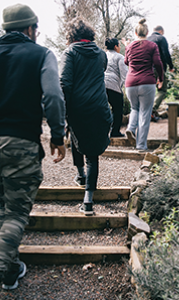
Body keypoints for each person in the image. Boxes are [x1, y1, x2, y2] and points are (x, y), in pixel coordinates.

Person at [0, 4, 66, 300]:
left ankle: (11, 270)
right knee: (16, 215)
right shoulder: (42, 55)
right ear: (30, 29)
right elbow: (52, 95)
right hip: (20, 142)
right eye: (36, 29)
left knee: (5, 207)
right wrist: (58, 135)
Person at [60, 17, 112, 216]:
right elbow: (102, 70)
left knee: (76, 137)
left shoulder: (70, 53)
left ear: (72, 36)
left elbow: (64, 84)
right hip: (99, 106)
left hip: (78, 108)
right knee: (92, 155)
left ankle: (83, 183)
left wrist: (63, 112)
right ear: (90, 35)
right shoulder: (101, 54)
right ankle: (87, 196)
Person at [124, 18, 164, 152]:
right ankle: (141, 146)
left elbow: (126, 62)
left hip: (130, 83)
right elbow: (158, 63)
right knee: (145, 113)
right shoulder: (152, 46)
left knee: (134, 109)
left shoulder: (129, 47)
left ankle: (130, 128)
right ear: (147, 32)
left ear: (136, 33)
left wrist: (127, 48)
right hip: (147, 82)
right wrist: (161, 78)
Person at [147, 25, 173, 121]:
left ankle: (148, 112)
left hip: (147, 69)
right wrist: (171, 66)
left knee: (150, 90)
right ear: (161, 31)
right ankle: (152, 110)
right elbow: (165, 53)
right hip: (158, 68)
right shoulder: (161, 38)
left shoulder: (147, 39)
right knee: (162, 90)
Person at [104, 37, 128, 138]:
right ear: (115, 46)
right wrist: (123, 87)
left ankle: (103, 132)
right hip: (113, 86)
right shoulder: (119, 57)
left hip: (101, 85)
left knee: (102, 109)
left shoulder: (103, 55)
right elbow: (124, 74)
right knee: (117, 109)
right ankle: (115, 132)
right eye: (119, 45)